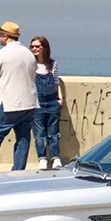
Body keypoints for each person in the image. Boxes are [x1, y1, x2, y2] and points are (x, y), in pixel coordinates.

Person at [0, 21, 39, 173]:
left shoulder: (1, 54)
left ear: (5, 35)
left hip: (9, 103)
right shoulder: (29, 54)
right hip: (30, 103)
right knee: (23, 139)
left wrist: (0, 83)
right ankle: (18, 171)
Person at [28, 35, 65, 170]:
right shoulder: (30, 64)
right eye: (32, 46)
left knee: (53, 133)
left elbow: (56, 81)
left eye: (37, 46)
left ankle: (56, 158)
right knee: (39, 133)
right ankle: (42, 158)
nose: (34, 49)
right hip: (37, 103)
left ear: (44, 47)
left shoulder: (52, 64)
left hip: (52, 102)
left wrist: (60, 98)